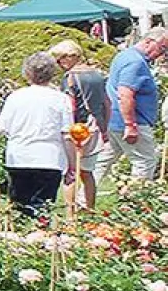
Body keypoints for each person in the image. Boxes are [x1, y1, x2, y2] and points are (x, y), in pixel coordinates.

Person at [0, 53, 77, 215]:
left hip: (19, 157)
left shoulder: (15, 97)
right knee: (43, 208)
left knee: (19, 207)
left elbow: (1, 129)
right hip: (49, 158)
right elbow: (67, 134)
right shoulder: (60, 99)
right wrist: (72, 164)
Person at [97, 29, 167, 183]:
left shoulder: (124, 55)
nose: (162, 54)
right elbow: (125, 93)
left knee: (102, 162)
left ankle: (82, 200)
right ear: (148, 41)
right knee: (145, 162)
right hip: (131, 121)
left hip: (113, 119)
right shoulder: (136, 62)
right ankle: (136, 202)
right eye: (162, 48)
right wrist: (130, 125)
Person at [51, 40, 109, 208]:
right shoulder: (98, 75)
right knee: (87, 172)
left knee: (71, 172)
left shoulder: (70, 78)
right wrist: (104, 127)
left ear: (70, 57)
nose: (59, 64)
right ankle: (89, 210)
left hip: (78, 128)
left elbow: (70, 105)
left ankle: (70, 215)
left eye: (60, 59)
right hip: (96, 125)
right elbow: (107, 103)